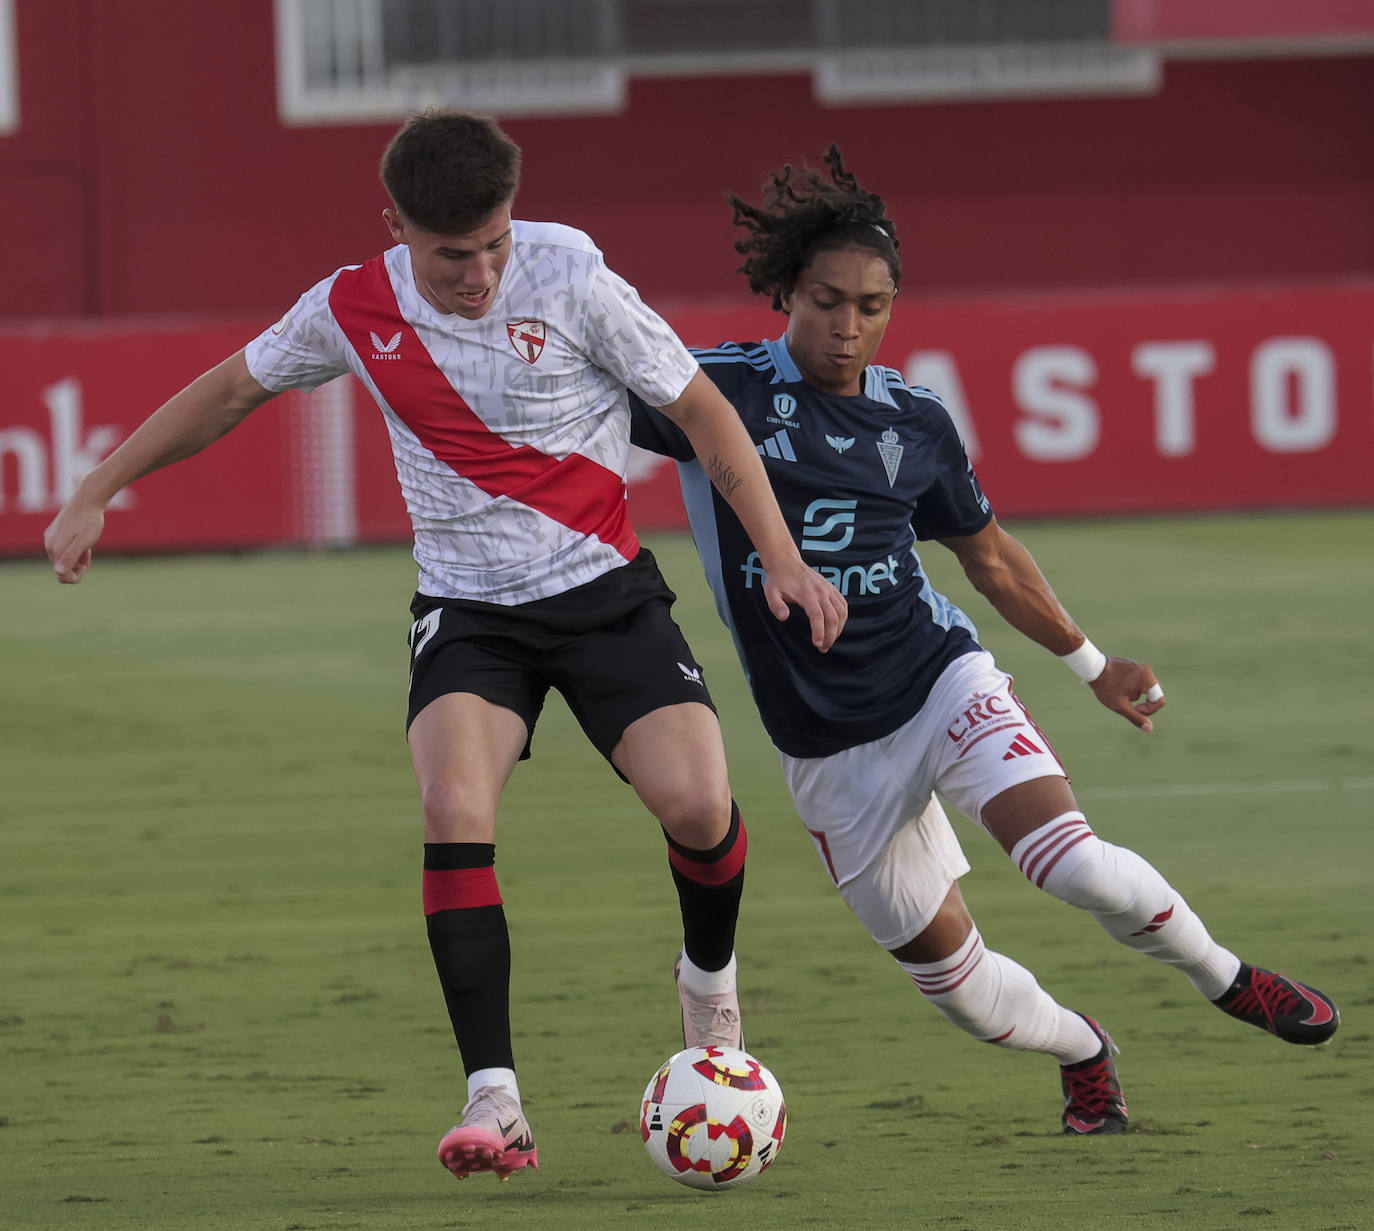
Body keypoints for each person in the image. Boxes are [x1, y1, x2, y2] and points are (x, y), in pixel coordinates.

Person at [42, 109, 847, 1182]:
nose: (477, 274)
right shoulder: (350, 305)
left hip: (606, 595)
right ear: (397, 228)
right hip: (469, 616)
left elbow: (703, 413)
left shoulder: (571, 279)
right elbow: (232, 389)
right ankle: (494, 1099)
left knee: (701, 810)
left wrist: (782, 557)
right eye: (451, 254)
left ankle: (709, 987)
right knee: (454, 809)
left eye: (494, 245)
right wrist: (98, 487)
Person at [629, 145, 1340, 1136]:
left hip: (938, 682)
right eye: (827, 299)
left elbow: (990, 557)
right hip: (827, 749)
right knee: (962, 993)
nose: (848, 325)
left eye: (872, 305)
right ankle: (1085, 1050)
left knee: (1073, 863)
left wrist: (1092, 665)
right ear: (784, 292)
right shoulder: (717, 394)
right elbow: (580, 399)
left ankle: (1230, 979)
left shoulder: (916, 422)